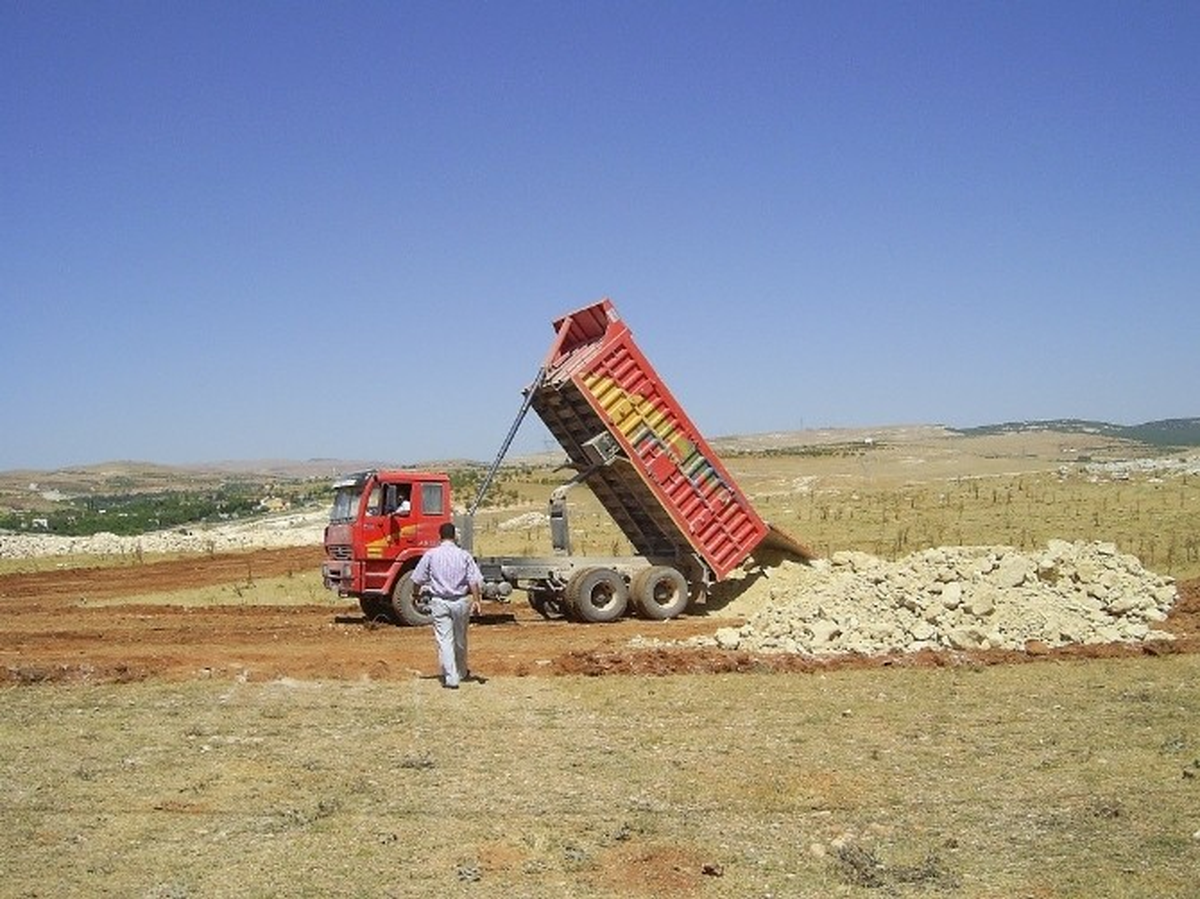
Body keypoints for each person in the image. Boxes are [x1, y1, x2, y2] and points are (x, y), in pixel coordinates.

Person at [410, 522, 483, 689]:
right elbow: (473, 580)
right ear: (455, 536)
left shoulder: (431, 555)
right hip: (460, 601)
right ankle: (462, 671)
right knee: (460, 638)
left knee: (444, 640)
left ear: (439, 536)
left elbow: (417, 578)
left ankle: (451, 678)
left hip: (440, 601)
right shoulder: (464, 555)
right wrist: (477, 600)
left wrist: (415, 595)